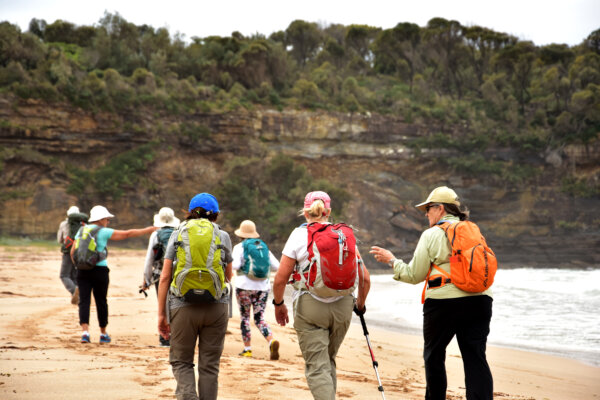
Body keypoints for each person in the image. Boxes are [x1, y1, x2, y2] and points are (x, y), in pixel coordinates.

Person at [369, 186, 494, 400]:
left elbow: (413, 275)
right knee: (475, 357)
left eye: (428, 209)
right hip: (480, 300)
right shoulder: (473, 232)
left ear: (440, 209)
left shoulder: (431, 235)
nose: (426, 213)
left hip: (443, 303)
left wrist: (392, 260)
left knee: (434, 356)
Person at [272, 191, 371, 400]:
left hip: (310, 306)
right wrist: (360, 305)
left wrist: (278, 303)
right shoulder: (344, 235)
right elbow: (365, 278)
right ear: (329, 211)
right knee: (328, 359)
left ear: (305, 211)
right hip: (343, 306)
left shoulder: (299, 234)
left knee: (317, 366)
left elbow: (280, 279)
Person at [157, 193, 233, 400]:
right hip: (216, 306)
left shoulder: (178, 233)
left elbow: (164, 277)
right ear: (215, 214)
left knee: (181, 361)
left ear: (189, 212)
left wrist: (162, 315)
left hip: (182, 305)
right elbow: (228, 276)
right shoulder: (223, 235)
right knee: (209, 366)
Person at [71, 205, 156, 344]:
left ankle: (85, 333)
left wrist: (79, 266)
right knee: (101, 301)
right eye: (107, 219)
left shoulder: (81, 230)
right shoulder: (103, 231)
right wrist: (149, 230)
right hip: (100, 270)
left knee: (84, 301)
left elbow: (72, 251)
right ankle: (103, 334)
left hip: (82, 270)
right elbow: (127, 234)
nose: (108, 222)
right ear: (101, 219)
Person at [232, 219, 280, 359]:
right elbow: (277, 266)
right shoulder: (263, 246)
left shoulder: (239, 247)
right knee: (259, 319)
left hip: (244, 287)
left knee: (245, 318)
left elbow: (234, 266)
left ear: (241, 234)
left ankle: (247, 349)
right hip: (262, 288)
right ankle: (271, 340)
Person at [141, 207, 181, 347]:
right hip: (178, 275)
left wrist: (146, 279)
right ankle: (177, 336)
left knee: (163, 305)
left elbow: (149, 259)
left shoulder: (156, 234)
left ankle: (164, 338)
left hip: (159, 274)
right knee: (177, 304)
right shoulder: (179, 232)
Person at [57, 205, 88, 305]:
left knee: (64, 275)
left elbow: (59, 240)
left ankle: (75, 291)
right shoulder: (83, 224)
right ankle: (79, 297)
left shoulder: (64, 224)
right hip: (81, 252)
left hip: (68, 251)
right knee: (74, 275)